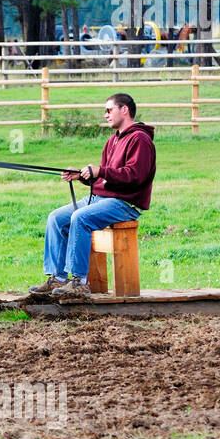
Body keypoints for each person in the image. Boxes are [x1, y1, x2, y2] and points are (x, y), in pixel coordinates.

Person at [30, 93, 156, 299]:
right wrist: (81, 176)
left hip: (125, 203)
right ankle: (58, 278)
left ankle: (79, 282)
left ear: (124, 110)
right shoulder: (112, 141)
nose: (106, 115)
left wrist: (100, 171)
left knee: (80, 217)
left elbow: (135, 176)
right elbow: (103, 180)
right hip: (101, 199)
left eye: (109, 110)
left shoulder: (139, 139)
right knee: (56, 218)